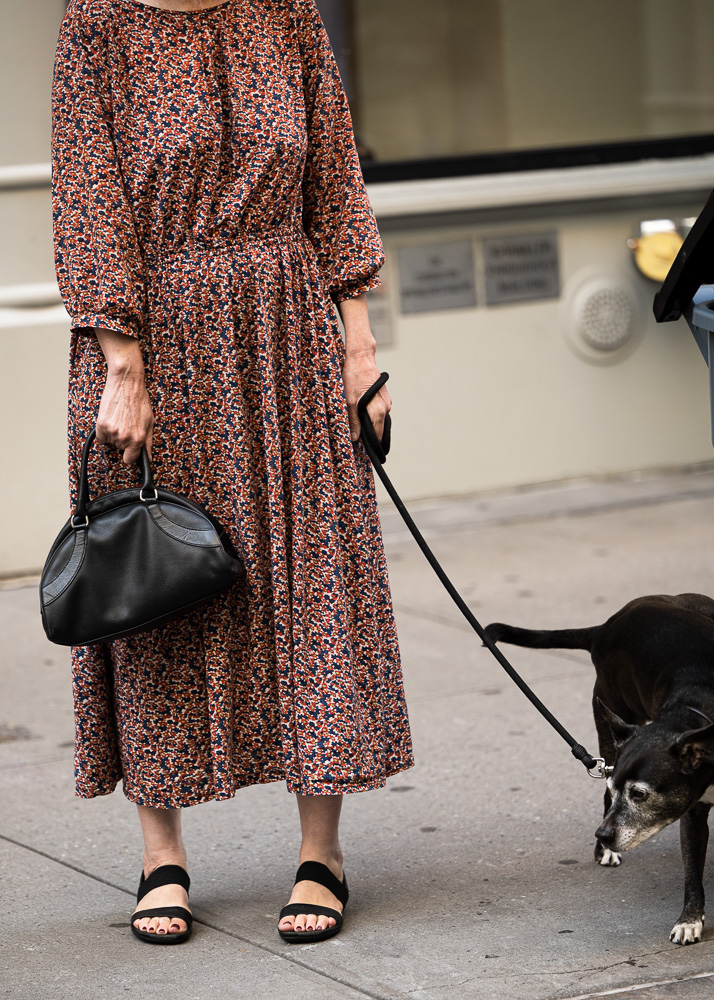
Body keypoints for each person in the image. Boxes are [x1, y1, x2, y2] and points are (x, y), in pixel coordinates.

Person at [51, 0, 414, 945]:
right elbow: (87, 199)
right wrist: (122, 368)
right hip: (154, 344)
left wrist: (360, 349)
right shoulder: (98, 20)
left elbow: (336, 177)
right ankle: (160, 855)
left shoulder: (285, 11)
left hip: (285, 336)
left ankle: (320, 851)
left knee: (311, 582)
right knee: (153, 586)